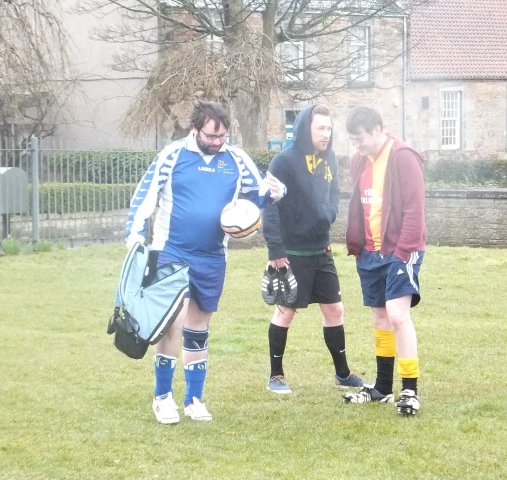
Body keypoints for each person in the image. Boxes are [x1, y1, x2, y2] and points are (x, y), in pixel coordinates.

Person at [125, 100, 285, 424]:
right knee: (173, 322)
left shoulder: (236, 159)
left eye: (222, 136)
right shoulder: (172, 156)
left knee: (199, 329)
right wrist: (134, 239)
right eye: (211, 136)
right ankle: (163, 397)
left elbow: (256, 196)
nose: (216, 142)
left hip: (213, 257)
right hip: (172, 252)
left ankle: (194, 400)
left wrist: (275, 192)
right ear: (194, 129)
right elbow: (145, 197)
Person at [261, 105, 364, 395]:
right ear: (306, 128)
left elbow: (334, 194)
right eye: (320, 128)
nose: (326, 134)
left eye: (329, 129)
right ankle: (276, 376)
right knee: (285, 311)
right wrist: (275, 249)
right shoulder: (283, 161)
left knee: (335, 309)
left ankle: (343, 374)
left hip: (322, 250)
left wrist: (330, 213)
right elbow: (268, 206)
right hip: (291, 253)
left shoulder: (330, 157)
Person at [342, 106, 426, 416]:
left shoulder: (404, 157)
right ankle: (381, 388)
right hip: (370, 252)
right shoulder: (357, 161)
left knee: (398, 315)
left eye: (360, 139)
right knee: (379, 317)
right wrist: (360, 248)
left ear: (378, 129)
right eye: (351, 140)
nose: (356, 146)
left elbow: (415, 210)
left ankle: (410, 390)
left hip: (401, 250)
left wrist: (403, 252)